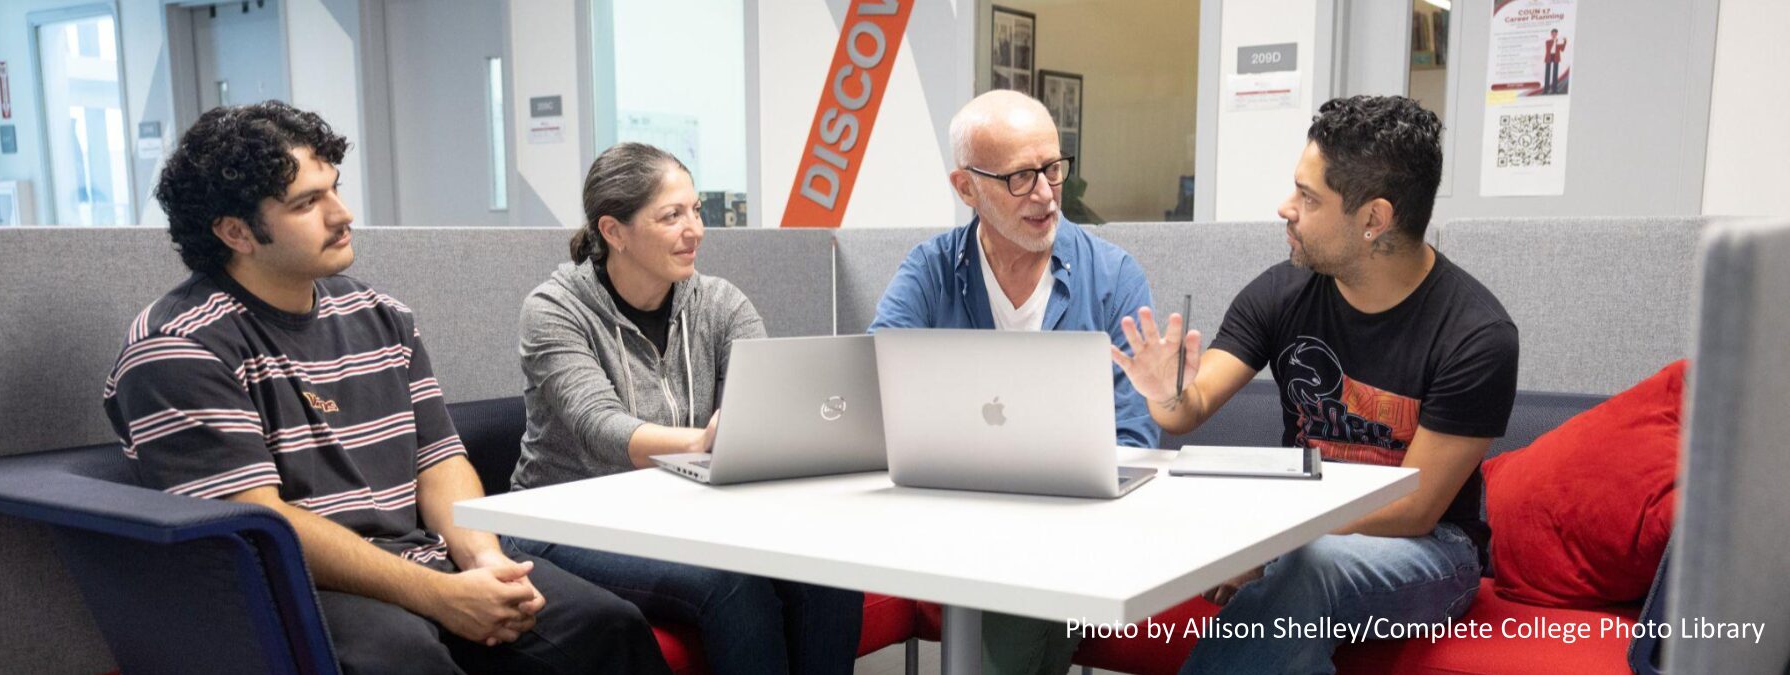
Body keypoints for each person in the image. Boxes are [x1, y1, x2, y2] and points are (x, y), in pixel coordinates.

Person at [105, 101, 670, 675]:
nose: (342, 214)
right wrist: (440, 596)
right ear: (235, 232)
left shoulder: (380, 315)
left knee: (607, 625)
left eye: (335, 189)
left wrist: (481, 558)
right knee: (407, 659)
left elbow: (441, 460)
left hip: (422, 555)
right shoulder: (178, 345)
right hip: (298, 587)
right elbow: (260, 523)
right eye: (307, 203)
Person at [1112, 95, 1519, 674]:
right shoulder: (1281, 293)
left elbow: (1413, 507)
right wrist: (1165, 389)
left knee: (1309, 566)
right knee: (1300, 576)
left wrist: (1270, 544)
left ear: (1374, 220)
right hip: (1305, 536)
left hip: (1433, 555)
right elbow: (1188, 409)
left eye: (1307, 197)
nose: (1285, 209)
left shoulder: (1476, 334)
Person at [505, 142, 864, 675]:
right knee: (731, 584)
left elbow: (766, 399)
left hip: (680, 514)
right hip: (565, 521)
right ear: (614, 231)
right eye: (672, 216)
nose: (694, 229)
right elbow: (599, 425)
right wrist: (700, 443)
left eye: (695, 210)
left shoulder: (719, 303)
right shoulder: (555, 310)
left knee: (827, 569)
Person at [869, 89, 1159, 674]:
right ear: (965, 188)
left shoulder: (1112, 275)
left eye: (1053, 168)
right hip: (957, 516)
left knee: (1020, 590)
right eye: (1021, 178)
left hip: (1074, 522)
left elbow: (1135, 434)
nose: (1047, 194)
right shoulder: (931, 270)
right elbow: (878, 384)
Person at [1544, 29, 1568, 94]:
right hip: (1549, 57)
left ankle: (1554, 89)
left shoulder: (1559, 41)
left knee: (1555, 73)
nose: (1554, 34)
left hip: (1556, 57)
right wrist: (1555, 41)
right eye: (1553, 33)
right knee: (1547, 74)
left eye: (1555, 33)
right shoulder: (1548, 41)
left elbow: (1562, 49)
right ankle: (1546, 89)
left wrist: (1564, 42)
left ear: (1557, 34)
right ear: (1551, 34)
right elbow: (1549, 49)